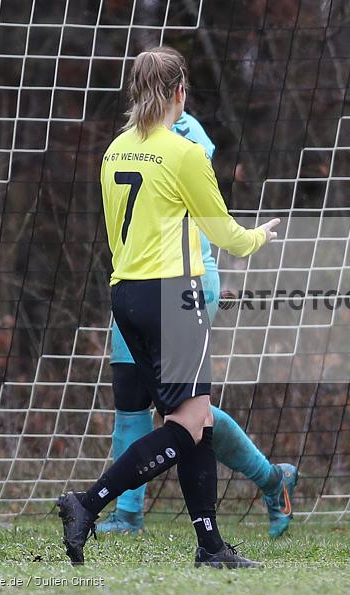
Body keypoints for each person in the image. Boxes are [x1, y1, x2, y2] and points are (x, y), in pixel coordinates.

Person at [56, 46, 280, 569]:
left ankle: (210, 546)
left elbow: (116, 234)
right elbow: (224, 232)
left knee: (192, 421)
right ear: (180, 93)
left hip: (126, 295)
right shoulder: (185, 154)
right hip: (176, 297)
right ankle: (87, 503)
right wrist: (258, 237)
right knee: (187, 425)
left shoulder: (114, 150)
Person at [97, 111, 297, 539]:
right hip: (137, 281)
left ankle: (269, 479)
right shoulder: (127, 139)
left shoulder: (186, 136)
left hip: (182, 281)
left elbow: (202, 215)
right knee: (131, 399)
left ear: (175, 91)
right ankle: (127, 515)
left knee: (188, 413)